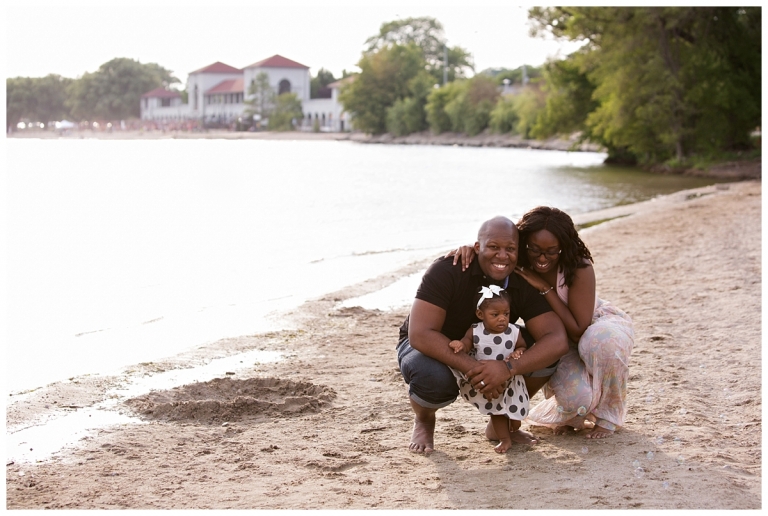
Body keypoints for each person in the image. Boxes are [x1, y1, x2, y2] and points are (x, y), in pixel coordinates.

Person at [449, 207, 635, 439]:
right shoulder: (518, 260)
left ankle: (609, 416)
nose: (542, 258)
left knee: (601, 342)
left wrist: (544, 288)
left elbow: (579, 330)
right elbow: (496, 248)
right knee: (577, 400)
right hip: (559, 338)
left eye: (551, 252)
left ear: (563, 247)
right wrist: (468, 249)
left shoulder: (578, 266)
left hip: (593, 326)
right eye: (535, 250)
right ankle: (574, 413)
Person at [397, 216, 568, 454]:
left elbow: (557, 338)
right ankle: (424, 419)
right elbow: (421, 334)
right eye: (494, 247)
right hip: (434, 345)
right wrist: (475, 368)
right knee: (434, 379)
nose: (502, 256)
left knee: (546, 353)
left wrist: (508, 368)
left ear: (518, 252)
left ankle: (502, 422)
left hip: (489, 347)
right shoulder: (448, 268)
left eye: (510, 249)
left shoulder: (521, 278)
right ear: (478, 247)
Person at [448, 285, 530, 453]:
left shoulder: (514, 331)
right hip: (487, 379)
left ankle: (514, 430)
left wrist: (518, 352)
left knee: (514, 414)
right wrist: (459, 344)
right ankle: (504, 440)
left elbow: (522, 346)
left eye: (506, 314)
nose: (502, 319)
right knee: (497, 412)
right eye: (495, 315)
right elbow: (466, 344)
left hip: (510, 380)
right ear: (480, 315)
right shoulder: (475, 331)